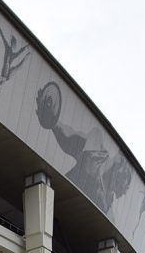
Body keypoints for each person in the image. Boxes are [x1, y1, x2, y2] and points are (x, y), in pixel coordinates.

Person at [36, 83, 132, 215]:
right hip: (52, 201)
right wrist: (53, 123)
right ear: (120, 161)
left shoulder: (106, 201)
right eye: (126, 180)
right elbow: (70, 138)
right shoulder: (96, 149)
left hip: (65, 213)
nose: (126, 189)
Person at [0, 16, 29, 104]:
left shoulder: (14, 54)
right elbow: (2, 36)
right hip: (4, 75)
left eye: (14, 46)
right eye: (13, 45)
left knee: (17, 66)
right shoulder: (8, 48)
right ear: (12, 44)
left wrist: (26, 47)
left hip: (7, 74)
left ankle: (27, 57)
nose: (13, 47)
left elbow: (20, 51)